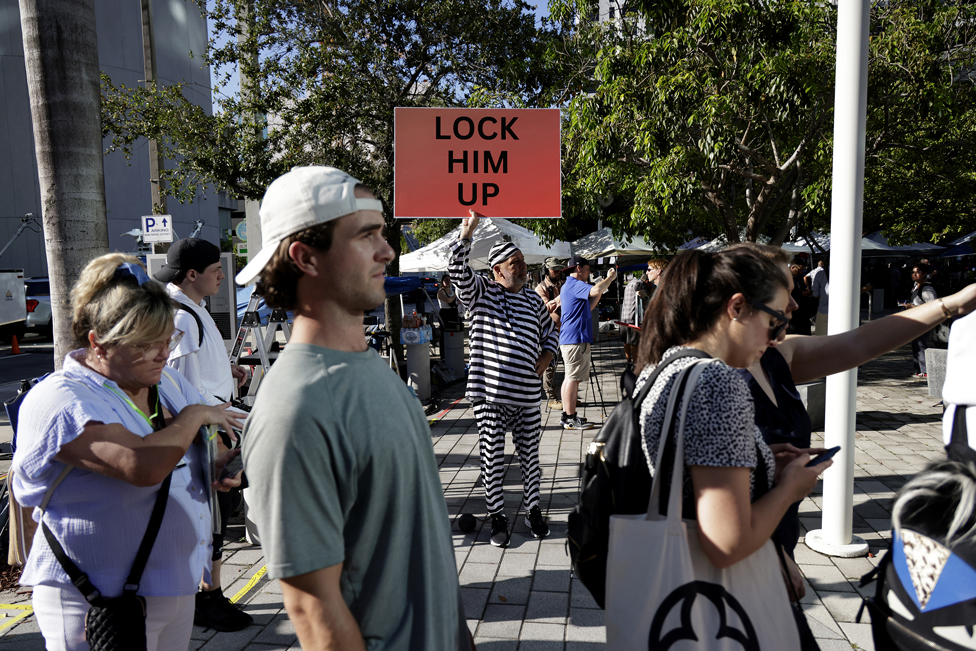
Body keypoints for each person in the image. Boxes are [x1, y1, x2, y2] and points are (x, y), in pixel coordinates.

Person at [238, 166, 471, 650]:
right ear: (306, 258)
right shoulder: (295, 408)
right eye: (366, 236)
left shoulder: (367, 367)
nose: (387, 251)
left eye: (382, 233)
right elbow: (312, 610)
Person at [10, 253, 244, 651]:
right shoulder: (62, 398)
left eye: (167, 339)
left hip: (173, 585)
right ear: (97, 342)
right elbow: (141, 465)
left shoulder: (166, 382)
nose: (162, 353)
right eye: (144, 344)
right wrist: (193, 418)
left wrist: (231, 463)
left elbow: (215, 447)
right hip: (97, 599)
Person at [730, 242, 976, 558]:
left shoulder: (775, 356)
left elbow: (860, 343)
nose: (794, 303)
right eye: (785, 292)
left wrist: (953, 304)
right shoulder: (713, 379)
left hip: (776, 547)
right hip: (747, 557)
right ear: (741, 303)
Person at [635, 248, 830, 624]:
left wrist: (758, 458)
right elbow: (726, 543)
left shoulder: (667, 364)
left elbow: (687, 466)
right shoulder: (719, 382)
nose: (779, 335)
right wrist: (790, 486)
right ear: (737, 307)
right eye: (775, 320)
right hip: (724, 606)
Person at [152, 237, 252, 632]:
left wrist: (229, 374)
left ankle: (208, 592)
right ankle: (206, 596)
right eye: (215, 271)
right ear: (191, 275)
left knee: (217, 512)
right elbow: (175, 383)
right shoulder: (180, 316)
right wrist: (217, 419)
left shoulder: (191, 308)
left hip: (213, 423)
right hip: (207, 431)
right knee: (212, 515)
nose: (222, 276)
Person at [449, 210, 558, 548]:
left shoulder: (533, 301)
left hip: (526, 395)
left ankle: (533, 510)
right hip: (490, 395)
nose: (523, 267)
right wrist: (466, 235)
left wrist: (545, 358)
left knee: (531, 458)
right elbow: (456, 270)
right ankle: (497, 515)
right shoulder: (481, 292)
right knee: (492, 457)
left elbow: (550, 333)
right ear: (497, 271)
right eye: (515, 263)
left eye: (523, 261)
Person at [559, 256, 616, 430]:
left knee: (571, 378)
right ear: (578, 268)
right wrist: (610, 278)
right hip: (575, 339)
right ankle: (569, 418)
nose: (589, 272)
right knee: (572, 378)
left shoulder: (570, 285)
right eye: (587, 268)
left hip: (574, 338)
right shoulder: (575, 284)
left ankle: (568, 415)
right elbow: (596, 288)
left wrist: (599, 291)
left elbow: (588, 306)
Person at [535, 257, 564, 408]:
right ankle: (551, 398)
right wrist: (564, 295)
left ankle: (566, 396)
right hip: (548, 333)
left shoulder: (561, 285)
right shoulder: (540, 288)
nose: (558, 272)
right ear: (547, 271)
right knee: (550, 365)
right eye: (555, 269)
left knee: (567, 366)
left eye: (559, 269)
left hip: (564, 331)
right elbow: (545, 308)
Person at [901, 263, 938, 378]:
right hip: (916, 321)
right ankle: (919, 370)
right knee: (916, 345)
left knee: (921, 345)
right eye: (913, 272)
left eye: (918, 272)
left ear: (924, 274)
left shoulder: (927, 289)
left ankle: (926, 371)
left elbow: (933, 306)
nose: (914, 274)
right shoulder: (915, 286)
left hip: (925, 322)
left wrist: (912, 307)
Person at [786, 258, 811, 336]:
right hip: (793, 317)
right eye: (799, 270)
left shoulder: (796, 278)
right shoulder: (786, 279)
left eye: (802, 270)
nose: (801, 272)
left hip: (800, 315)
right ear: (793, 267)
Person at [811, 260, 829, 335]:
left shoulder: (820, 274)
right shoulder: (852, 271)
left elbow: (816, 295)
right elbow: (868, 286)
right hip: (845, 311)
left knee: (821, 339)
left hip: (824, 310)